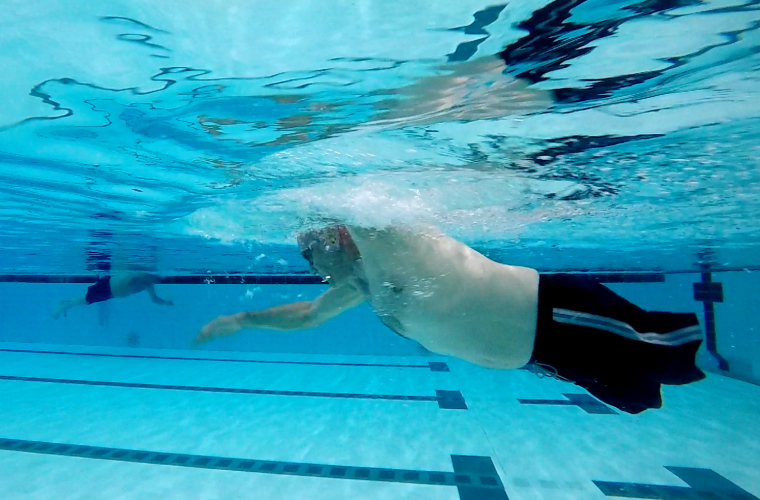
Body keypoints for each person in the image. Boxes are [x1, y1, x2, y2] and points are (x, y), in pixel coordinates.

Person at [197, 225, 704, 413]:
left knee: (679, 352)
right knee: (640, 396)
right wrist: (243, 319)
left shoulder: (384, 239)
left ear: (336, 237)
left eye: (308, 254)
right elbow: (308, 316)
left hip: (559, 316)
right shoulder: (361, 281)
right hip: (544, 356)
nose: (308, 268)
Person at [53, 272, 173, 319]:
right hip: (107, 286)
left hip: (110, 293)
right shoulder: (140, 275)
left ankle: (65, 303)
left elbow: (154, 299)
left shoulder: (148, 285)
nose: (156, 280)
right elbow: (124, 279)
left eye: (158, 279)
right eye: (156, 278)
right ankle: (63, 305)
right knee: (85, 300)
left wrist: (166, 303)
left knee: (84, 299)